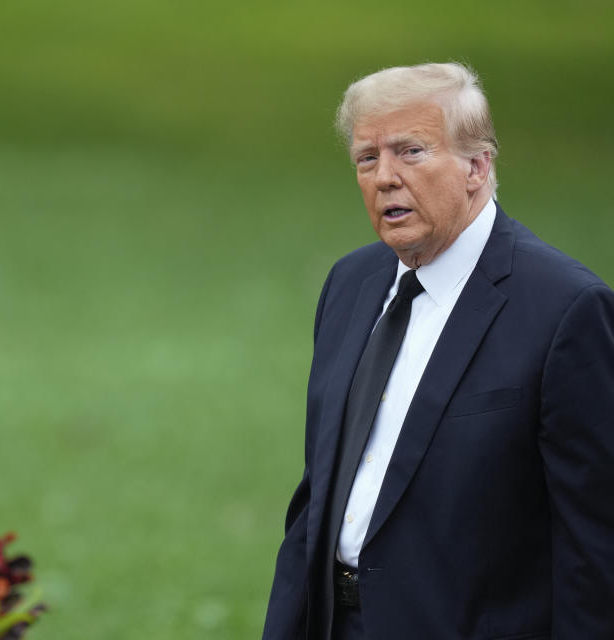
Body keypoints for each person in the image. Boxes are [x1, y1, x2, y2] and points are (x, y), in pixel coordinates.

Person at [262, 62, 614, 640]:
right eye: (367, 158)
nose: (384, 178)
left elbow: (595, 543)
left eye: (411, 152)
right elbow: (317, 495)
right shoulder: (349, 285)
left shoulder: (565, 309)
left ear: (477, 166)